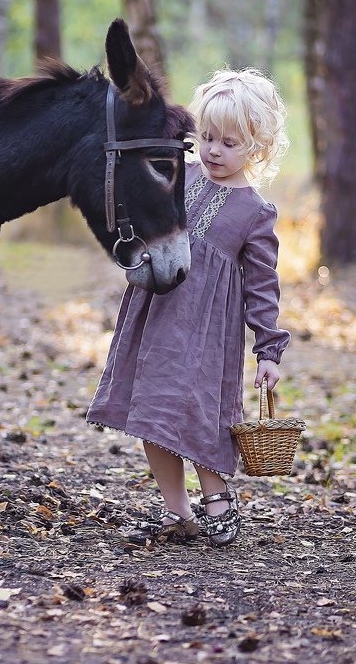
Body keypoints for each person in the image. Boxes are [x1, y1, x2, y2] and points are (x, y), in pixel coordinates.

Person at [87, 68, 291, 547]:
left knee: (200, 411)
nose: (214, 150)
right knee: (152, 410)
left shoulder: (255, 212)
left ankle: (216, 492)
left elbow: (263, 284)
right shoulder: (180, 175)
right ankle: (177, 511)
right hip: (156, 315)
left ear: (256, 146)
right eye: (207, 137)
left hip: (207, 332)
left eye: (229, 142)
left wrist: (269, 350)